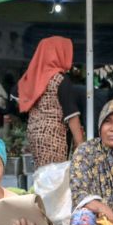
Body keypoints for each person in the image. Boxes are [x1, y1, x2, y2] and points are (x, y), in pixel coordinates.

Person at [19, 37, 83, 167]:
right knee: (54, 178)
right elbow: (71, 115)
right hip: (54, 137)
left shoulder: (34, 77)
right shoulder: (61, 80)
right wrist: (80, 144)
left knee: (43, 175)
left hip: (34, 133)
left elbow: (16, 94)